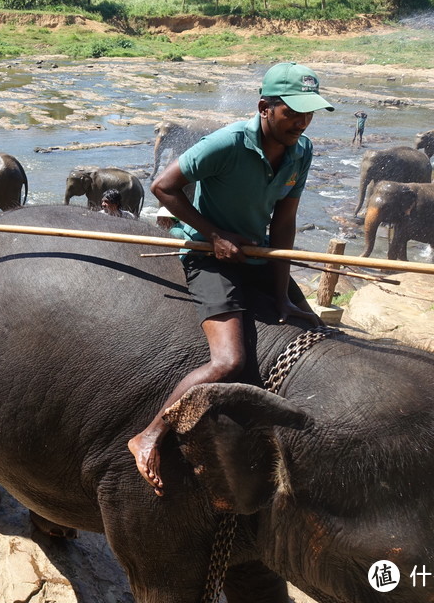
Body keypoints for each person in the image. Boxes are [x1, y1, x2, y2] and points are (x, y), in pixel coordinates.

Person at [129, 62, 331, 496]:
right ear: (264, 107)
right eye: (292, 112)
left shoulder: (302, 150)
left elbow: (285, 219)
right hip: (211, 256)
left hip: (256, 253)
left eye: (309, 113)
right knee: (229, 362)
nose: (301, 122)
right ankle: (149, 435)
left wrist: (282, 295)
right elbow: (163, 186)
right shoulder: (227, 142)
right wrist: (213, 235)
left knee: (310, 324)